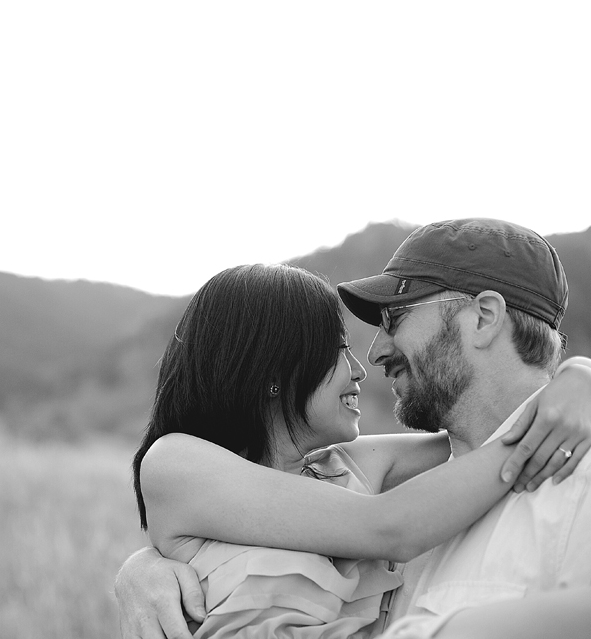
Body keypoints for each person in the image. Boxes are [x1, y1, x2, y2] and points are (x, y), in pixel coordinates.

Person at [117, 219, 591, 639]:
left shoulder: (571, 484)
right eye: (337, 348)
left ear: (484, 318)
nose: (370, 359)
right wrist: (143, 567)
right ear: (274, 369)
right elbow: (388, 524)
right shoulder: (412, 495)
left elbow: (465, 447)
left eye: (395, 320)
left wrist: (580, 382)